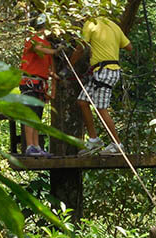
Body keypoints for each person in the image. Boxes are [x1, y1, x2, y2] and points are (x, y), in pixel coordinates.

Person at [69, 15, 132, 156]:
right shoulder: (113, 25)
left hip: (105, 71)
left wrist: (69, 65)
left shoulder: (91, 24)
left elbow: (80, 48)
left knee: (101, 108)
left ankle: (117, 145)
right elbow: (129, 47)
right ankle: (94, 140)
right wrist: (109, 45)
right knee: (82, 101)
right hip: (102, 71)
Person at [19, 15, 57, 157]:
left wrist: (53, 87)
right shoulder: (32, 40)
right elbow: (40, 49)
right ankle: (30, 146)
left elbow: (51, 69)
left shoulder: (46, 44)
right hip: (29, 82)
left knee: (37, 116)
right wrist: (55, 51)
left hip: (40, 84)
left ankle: (36, 146)